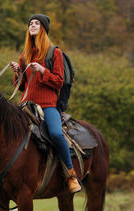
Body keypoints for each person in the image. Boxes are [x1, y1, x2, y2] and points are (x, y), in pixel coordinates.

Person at [10, 14, 81, 193]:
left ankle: (70, 174)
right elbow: (21, 87)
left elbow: (58, 81)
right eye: (30, 23)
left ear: (44, 29)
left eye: (36, 23)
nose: (32, 25)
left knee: (56, 134)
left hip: (47, 105)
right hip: (26, 104)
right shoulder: (25, 54)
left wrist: (42, 70)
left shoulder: (54, 53)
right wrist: (18, 72)